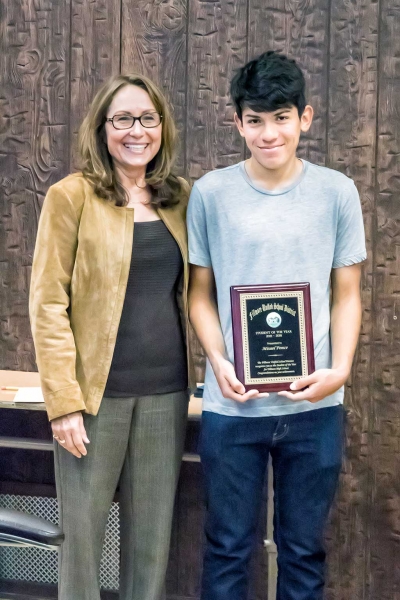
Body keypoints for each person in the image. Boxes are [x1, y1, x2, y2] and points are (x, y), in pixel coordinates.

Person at [187, 51, 366, 600]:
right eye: (256, 120)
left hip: (314, 408)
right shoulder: (210, 194)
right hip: (232, 406)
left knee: (304, 553)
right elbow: (199, 296)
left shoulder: (337, 192)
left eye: (281, 117)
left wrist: (340, 371)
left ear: (305, 118)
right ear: (238, 122)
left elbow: (349, 294)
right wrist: (218, 363)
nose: (269, 133)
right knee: (226, 550)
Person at [29, 73, 195, 600]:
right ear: (102, 128)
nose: (136, 131)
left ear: (162, 128)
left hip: (166, 396)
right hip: (93, 401)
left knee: (151, 545)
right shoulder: (70, 196)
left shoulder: (179, 197)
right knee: (82, 543)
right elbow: (48, 302)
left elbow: (200, 291)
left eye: (148, 118)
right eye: (123, 119)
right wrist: (63, 402)